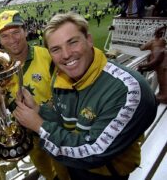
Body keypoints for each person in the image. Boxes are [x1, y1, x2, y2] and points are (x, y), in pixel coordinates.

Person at [13, 12, 157, 180]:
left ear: (89, 40)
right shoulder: (59, 78)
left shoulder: (128, 89)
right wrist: (39, 110)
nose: (66, 55)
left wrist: (39, 126)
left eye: (72, 42)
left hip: (107, 174)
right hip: (73, 166)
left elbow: (94, 152)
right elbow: (65, 122)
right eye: (56, 49)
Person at [0, 10, 69, 180]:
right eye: (5, 36)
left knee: (66, 172)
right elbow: (3, 103)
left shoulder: (47, 56)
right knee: (48, 173)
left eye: (15, 32)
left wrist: (41, 110)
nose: (12, 39)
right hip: (28, 137)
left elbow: (67, 95)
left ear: (25, 31)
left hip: (55, 129)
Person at [138, 25, 167, 103]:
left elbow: (156, 61)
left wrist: (143, 66)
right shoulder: (161, 42)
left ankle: (164, 95)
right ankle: (162, 94)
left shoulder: (155, 42)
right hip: (161, 64)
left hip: (162, 63)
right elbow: (154, 64)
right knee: (161, 79)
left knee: (163, 79)